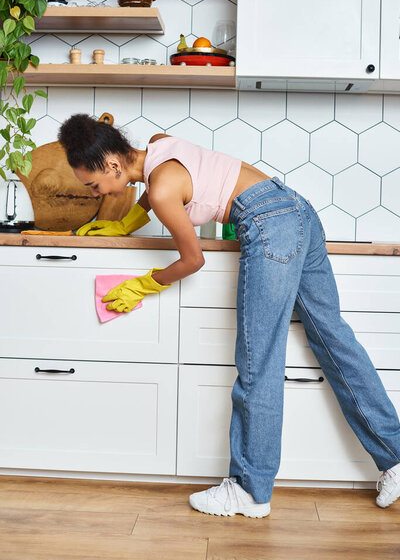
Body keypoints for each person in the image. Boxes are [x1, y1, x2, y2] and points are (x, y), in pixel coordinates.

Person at [58, 113, 400, 518]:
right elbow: (156, 187)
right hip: (297, 210)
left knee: (259, 360)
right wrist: (129, 223)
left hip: (268, 226)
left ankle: (249, 490)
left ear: (113, 166)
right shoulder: (159, 142)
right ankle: (395, 458)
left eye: (94, 185)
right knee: (335, 341)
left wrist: (144, 283)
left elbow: (192, 259)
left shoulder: (164, 188)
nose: (97, 194)